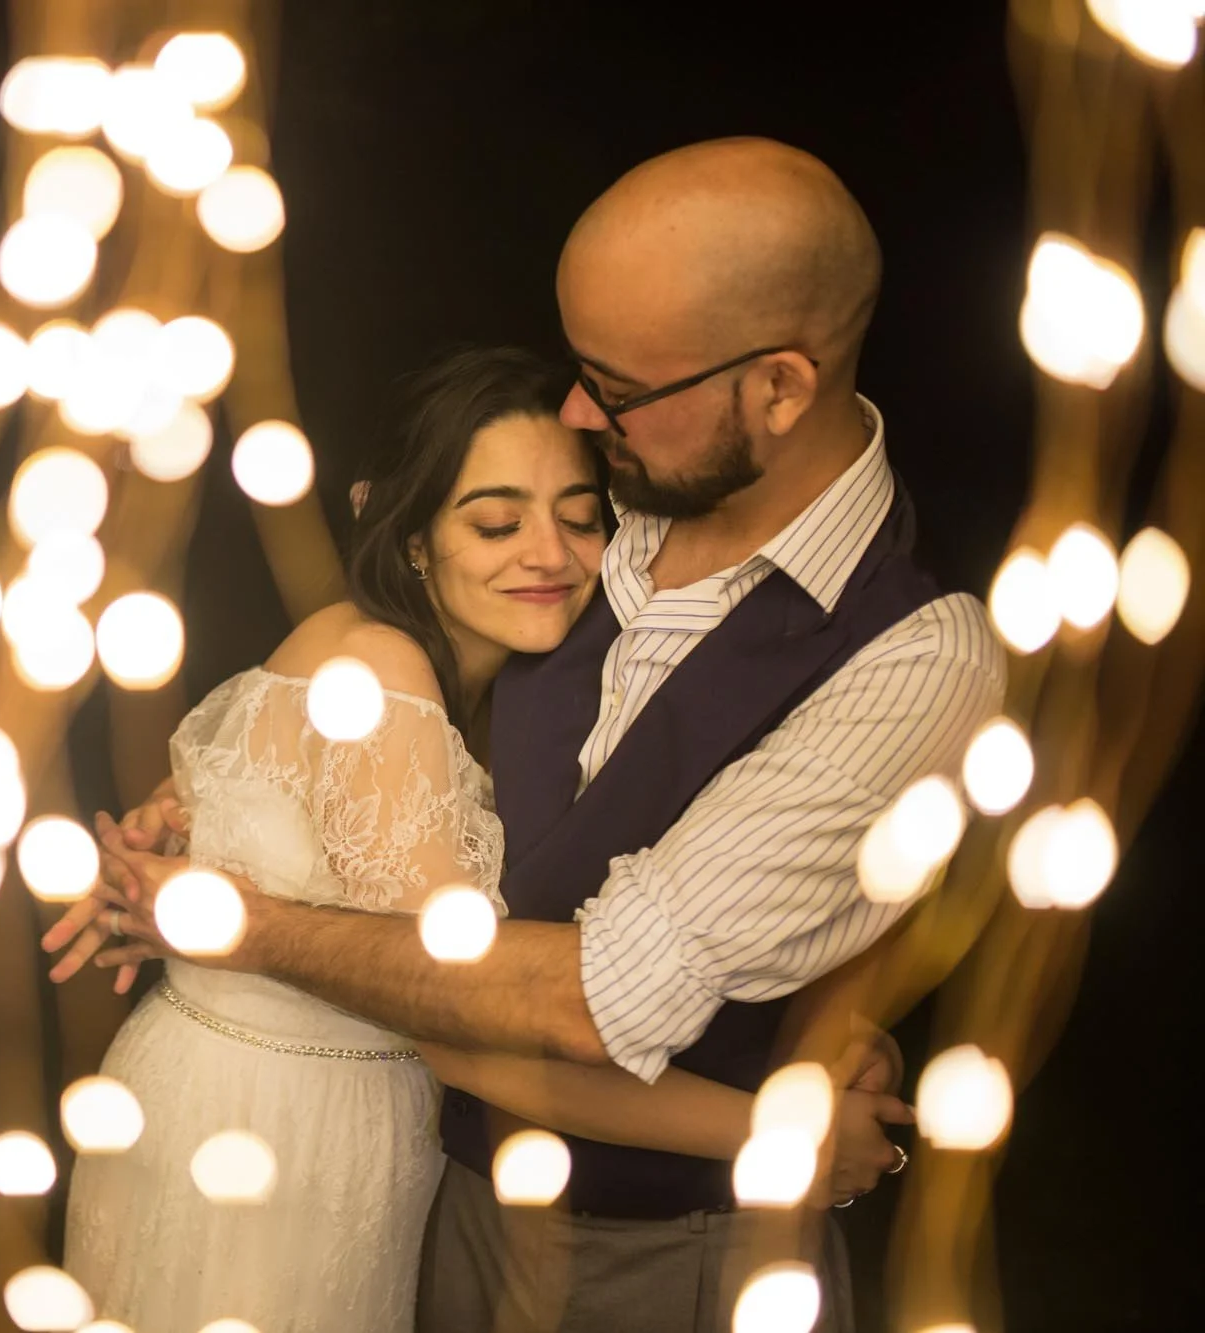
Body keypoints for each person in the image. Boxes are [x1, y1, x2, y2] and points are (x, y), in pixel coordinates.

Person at [66, 139, 1008, 1332]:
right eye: (579, 370)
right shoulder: (601, 513)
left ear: (777, 388)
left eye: (615, 386)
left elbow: (590, 998)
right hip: (422, 1182)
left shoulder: (909, 654)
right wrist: (207, 833)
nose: (577, 413)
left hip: (669, 1248)